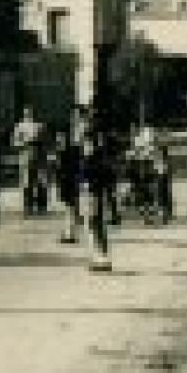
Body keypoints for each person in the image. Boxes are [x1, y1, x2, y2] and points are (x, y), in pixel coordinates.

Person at [77, 116, 116, 273]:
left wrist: (86, 185)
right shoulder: (96, 154)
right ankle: (100, 257)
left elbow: (91, 174)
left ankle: (101, 258)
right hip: (94, 190)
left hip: (92, 191)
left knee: (94, 223)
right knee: (94, 223)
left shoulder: (93, 155)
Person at [53, 125, 84, 245]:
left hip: (69, 182)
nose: (59, 141)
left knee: (70, 209)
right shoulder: (66, 151)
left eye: (60, 138)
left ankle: (70, 234)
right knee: (70, 209)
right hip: (67, 182)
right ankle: (70, 232)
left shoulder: (68, 152)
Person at [14, 105, 46, 216]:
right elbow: (15, 142)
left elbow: (45, 142)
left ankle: (41, 206)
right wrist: (24, 142)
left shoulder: (39, 126)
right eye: (26, 113)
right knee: (27, 182)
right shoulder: (19, 127)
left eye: (30, 112)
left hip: (38, 156)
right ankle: (28, 207)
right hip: (25, 155)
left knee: (40, 181)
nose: (28, 115)